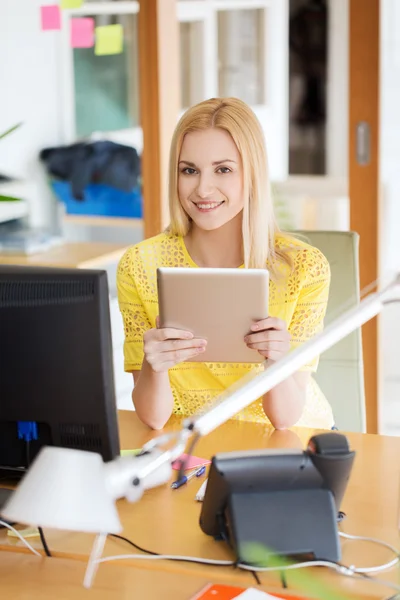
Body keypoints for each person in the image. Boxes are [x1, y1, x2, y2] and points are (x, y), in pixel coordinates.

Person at [117, 97, 334, 431]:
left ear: (252, 174)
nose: (203, 189)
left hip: (285, 440)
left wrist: (277, 359)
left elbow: (285, 419)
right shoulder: (140, 265)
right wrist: (153, 366)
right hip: (190, 444)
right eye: (189, 170)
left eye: (224, 169)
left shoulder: (304, 268)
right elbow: (154, 417)